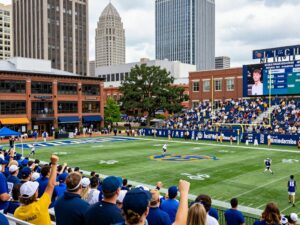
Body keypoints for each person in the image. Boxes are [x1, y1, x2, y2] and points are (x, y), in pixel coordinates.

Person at [14, 155, 59, 225]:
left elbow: (51, 185)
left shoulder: (17, 212)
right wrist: (54, 163)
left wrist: (54, 164)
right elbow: (51, 185)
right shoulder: (41, 205)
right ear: (35, 194)